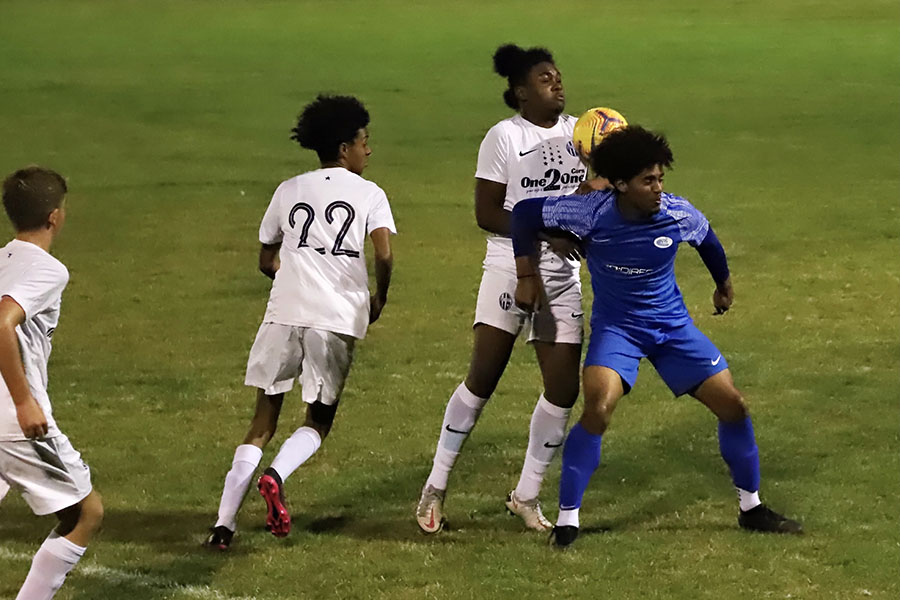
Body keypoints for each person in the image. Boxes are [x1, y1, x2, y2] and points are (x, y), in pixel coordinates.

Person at [510, 125, 802, 548]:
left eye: (661, 178)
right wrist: (527, 273)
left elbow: (708, 241)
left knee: (734, 406)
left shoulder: (677, 212)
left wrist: (723, 285)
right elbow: (523, 214)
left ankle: (751, 507)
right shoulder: (589, 212)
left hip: (672, 328)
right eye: (648, 181)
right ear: (621, 184)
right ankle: (568, 521)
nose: (658, 189)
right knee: (599, 408)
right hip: (618, 331)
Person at [416, 43, 593, 534]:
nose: (556, 83)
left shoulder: (581, 133)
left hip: (562, 273)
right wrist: (548, 232)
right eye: (544, 79)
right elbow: (487, 212)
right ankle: (435, 486)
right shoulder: (505, 136)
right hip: (508, 267)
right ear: (521, 93)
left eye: (557, 75)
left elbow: (588, 198)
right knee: (483, 377)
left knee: (563, 390)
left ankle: (527, 496)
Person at [206, 94, 395, 549]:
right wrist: (378, 297)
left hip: (283, 313)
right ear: (345, 148)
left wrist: (293, 277)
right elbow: (384, 254)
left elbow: (265, 258)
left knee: (262, 420)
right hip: (335, 316)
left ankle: (223, 525)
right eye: (364, 141)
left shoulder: (288, 189)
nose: (368, 149)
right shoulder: (369, 194)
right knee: (318, 420)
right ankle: (276, 475)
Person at [0, 167, 104, 599]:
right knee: (84, 512)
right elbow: (2, 322)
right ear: (54, 217)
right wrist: (24, 402)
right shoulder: (47, 270)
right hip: (12, 418)